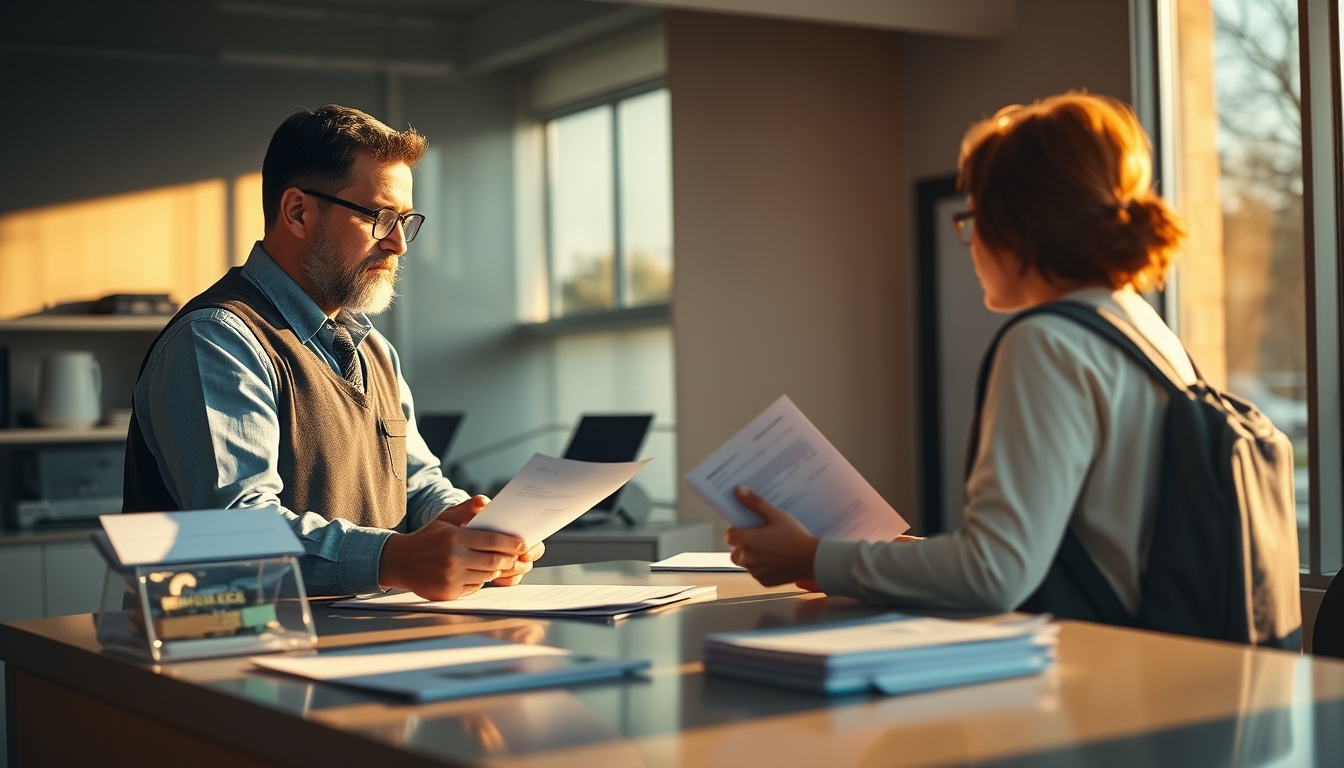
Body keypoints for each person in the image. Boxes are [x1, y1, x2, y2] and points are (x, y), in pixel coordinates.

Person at [727, 92, 1194, 613]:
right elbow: (1031, 556)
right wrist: (850, 556)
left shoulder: (1046, 341)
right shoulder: (1141, 328)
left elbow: (994, 576)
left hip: (1089, 676)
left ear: (1014, 226)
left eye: (973, 218)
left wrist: (813, 559)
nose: (970, 241)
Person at [123, 104, 542, 600]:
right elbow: (238, 530)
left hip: (358, 651)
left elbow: (417, 484)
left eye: (405, 222)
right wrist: (395, 559)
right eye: (381, 218)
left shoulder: (376, 352)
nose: (399, 245)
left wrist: (478, 534)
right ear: (298, 212)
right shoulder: (216, 340)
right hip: (235, 658)